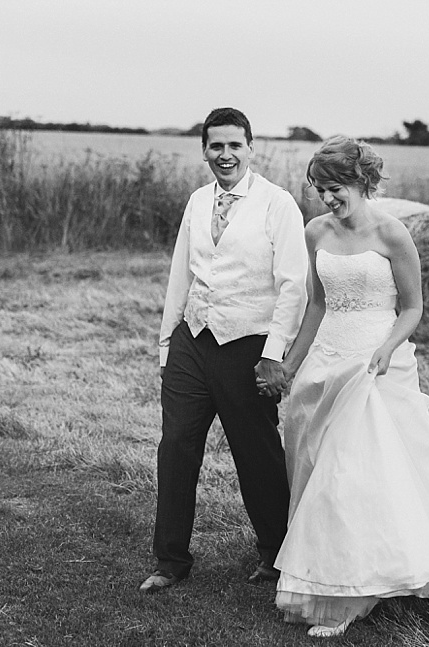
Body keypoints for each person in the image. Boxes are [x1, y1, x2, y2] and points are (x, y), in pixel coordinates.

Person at [264, 136, 429, 637]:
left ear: (362, 182)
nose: (328, 199)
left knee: (353, 472)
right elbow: (316, 306)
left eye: (335, 188)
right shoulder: (315, 231)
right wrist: (289, 364)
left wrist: (387, 347)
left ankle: (351, 594)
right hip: (327, 359)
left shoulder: (393, 234)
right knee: (316, 464)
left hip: (375, 362)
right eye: (320, 189)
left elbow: (412, 306)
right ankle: (330, 571)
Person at [140, 107, 308, 593]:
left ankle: (275, 556)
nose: (226, 154)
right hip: (193, 342)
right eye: (217, 146)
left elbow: (294, 287)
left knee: (255, 454)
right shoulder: (197, 202)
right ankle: (170, 561)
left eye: (235, 145)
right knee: (175, 448)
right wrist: (168, 345)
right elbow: (180, 276)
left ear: (251, 149)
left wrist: (274, 354)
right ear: (205, 151)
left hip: (249, 346)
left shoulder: (278, 205)